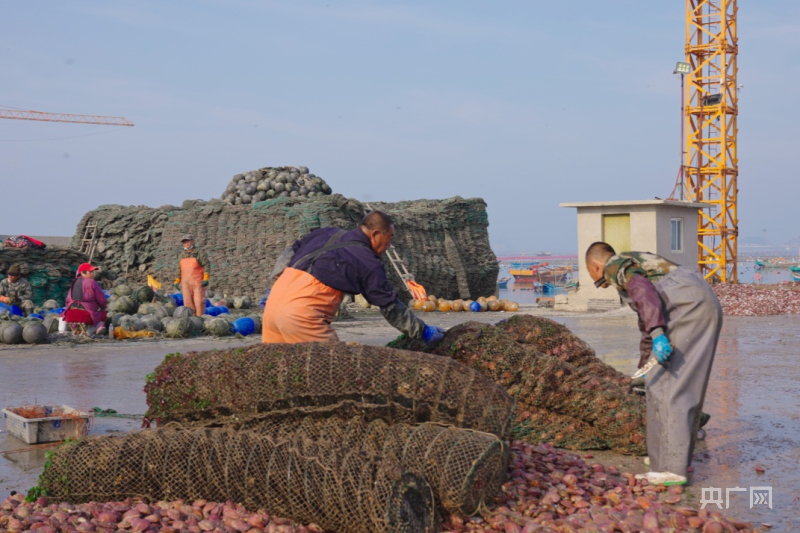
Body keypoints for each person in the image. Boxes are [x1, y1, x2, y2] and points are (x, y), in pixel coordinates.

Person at [584, 242, 722, 486]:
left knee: (668, 388)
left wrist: (659, 332)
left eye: (593, 274)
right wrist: (644, 368)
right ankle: (672, 458)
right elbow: (646, 325)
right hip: (702, 301)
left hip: (686, 307)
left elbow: (642, 289)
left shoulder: (614, 265)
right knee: (675, 383)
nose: (601, 281)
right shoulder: (640, 263)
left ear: (596, 265)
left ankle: (671, 468)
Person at [262, 211, 444, 344]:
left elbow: (289, 252)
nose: (389, 245)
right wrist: (422, 331)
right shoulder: (367, 261)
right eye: (389, 238)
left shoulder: (325, 233)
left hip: (271, 309)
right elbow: (389, 306)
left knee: (279, 375)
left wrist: (274, 284)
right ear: (375, 234)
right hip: (301, 316)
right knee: (328, 376)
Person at [64, 263, 108, 334]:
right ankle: (90, 331)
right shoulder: (92, 282)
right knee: (105, 315)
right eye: (90, 272)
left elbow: (67, 300)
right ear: (83, 272)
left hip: (70, 315)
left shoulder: (74, 282)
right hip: (86, 315)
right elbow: (101, 299)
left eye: (92, 272)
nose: (92, 273)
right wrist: (103, 307)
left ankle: (74, 328)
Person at [173, 234, 210, 317]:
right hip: (185, 283)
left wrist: (206, 278)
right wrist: (177, 280)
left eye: (188, 241)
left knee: (199, 301)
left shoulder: (199, 253)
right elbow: (178, 268)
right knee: (187, 301)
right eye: (184, 242)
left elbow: (206, 265)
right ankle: (192, 319)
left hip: (197, 282)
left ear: (192, 241)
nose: (186, 243)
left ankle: (200, 318)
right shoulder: (181, 255)